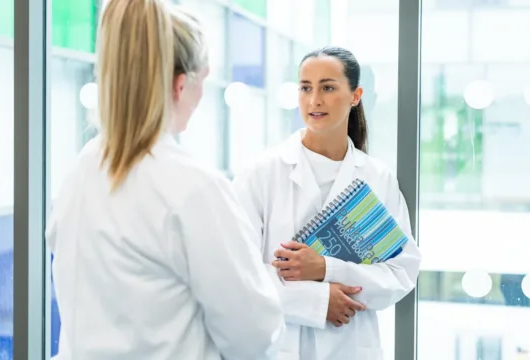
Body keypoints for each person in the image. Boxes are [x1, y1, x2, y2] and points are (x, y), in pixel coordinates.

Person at [45, 1, 285, 359]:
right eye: (202, 82)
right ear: (179, 84)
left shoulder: (82, 169)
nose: (201, 97)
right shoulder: (192, 187)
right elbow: (253, 334)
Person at [232, 46, 422, 360]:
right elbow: (239, 274)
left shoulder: (377, 179)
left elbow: (401, 273)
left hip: (352, 347)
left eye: (328, 87)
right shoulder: (260, 173)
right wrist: (320, 301)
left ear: (355, 95)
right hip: (279, 346)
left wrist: (326, 268)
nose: (314, 100)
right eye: (305, 87)